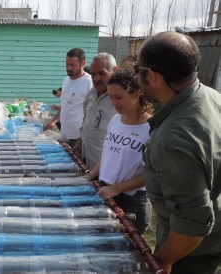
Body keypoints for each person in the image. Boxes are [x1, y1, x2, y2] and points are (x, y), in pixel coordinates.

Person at [137, 31, 221, 274]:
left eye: (137, 69)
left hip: (191, 254)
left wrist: (163, 260)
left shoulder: (173, 139)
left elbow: (192, 223)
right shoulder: (210, 96)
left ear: (151, 75)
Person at [83, 69, 152, 235]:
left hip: (131, 200)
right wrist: (90, 175)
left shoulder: (151, 128)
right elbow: (108, 155)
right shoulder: (115, 120)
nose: (113, 103)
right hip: (106, 191)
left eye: (118, 97)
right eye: (111, 97)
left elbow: (153, 173)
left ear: (137, 94)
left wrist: (118, 188)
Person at [73, 53, 118, 170]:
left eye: (102, 73)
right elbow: (86, 120)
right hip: (87, 160)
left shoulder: (120, 98)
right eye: (93, 74)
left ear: (115, 70)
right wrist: (80, 140)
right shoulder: (92, 92)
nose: (96, 78)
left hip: (107, 167)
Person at [44, 48, 93, 148]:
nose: (69, 68)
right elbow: (64, 103)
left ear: (83, 64)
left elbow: (92, 112)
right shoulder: (66, 80)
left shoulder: (89, 83)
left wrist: (82, 138)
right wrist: (54, 121)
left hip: (78, 138)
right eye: (67, 64)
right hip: (64, 134)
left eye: (73, 65)